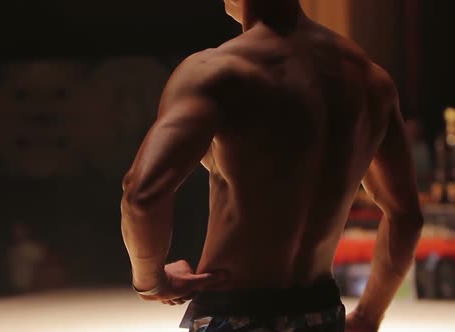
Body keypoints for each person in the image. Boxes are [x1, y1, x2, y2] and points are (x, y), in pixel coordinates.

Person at [120, 0, 423, 331]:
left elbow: (142, 194)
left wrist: (152, 281)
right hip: (319, 311)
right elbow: (405, 215)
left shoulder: (217, 71)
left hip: (236, 312)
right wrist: (368, 315)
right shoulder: (370, 80)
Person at [404, 118, 433, 192]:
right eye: (409, 128)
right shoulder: (398, 149)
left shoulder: (423, 148)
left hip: (422, 190)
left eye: (414, 128)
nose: (411, 131)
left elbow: (429, 173)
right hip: (403, 190)